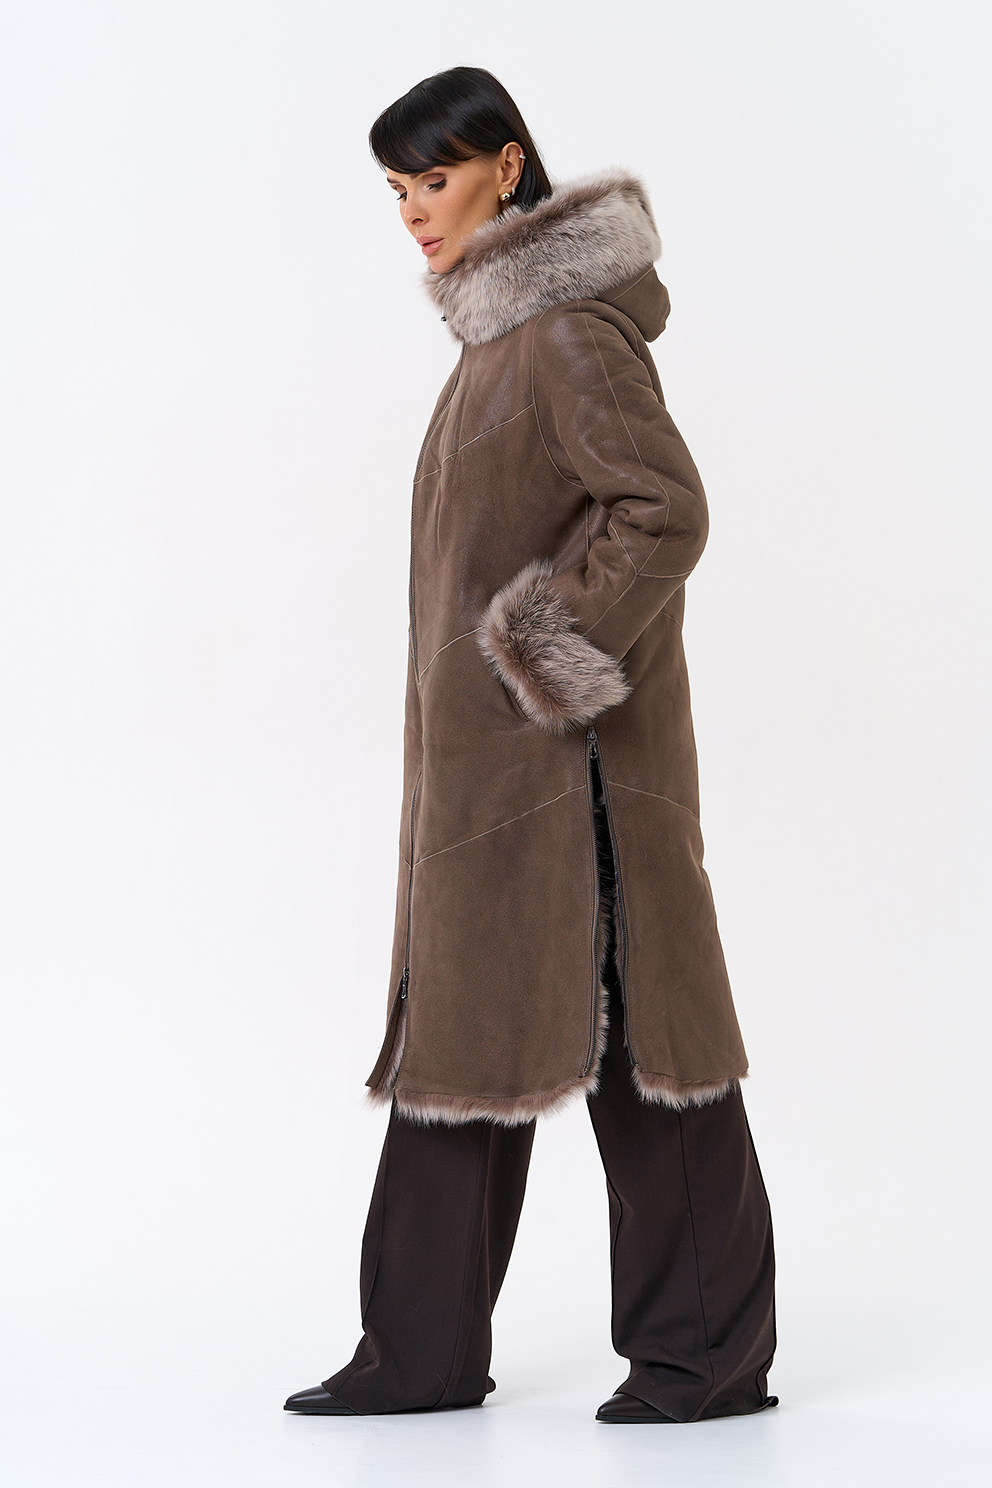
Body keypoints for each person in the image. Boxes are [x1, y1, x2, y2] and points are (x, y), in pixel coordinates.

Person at [284, 65, 777, 1424]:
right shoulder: (493, 346)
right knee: (459, 1049)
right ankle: (420, 1355)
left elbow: (663, 509)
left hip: (581, 782)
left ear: (508, 166)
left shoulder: (562, 335)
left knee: (642, 1049)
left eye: (433, 179)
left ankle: (706, 1359)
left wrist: (543, 656)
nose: (411, 212)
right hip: (489, 782)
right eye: (396, 189)